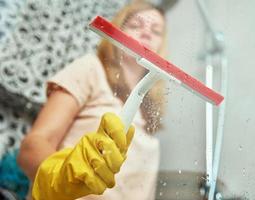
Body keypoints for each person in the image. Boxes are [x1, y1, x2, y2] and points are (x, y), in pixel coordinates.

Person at [17, 1, 168, 200]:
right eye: (136, 25)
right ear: (118, 32)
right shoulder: (91, 69)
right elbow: (31, 147)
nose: (147, 33)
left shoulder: (149, 108)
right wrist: (60, 176)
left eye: (156, 31)